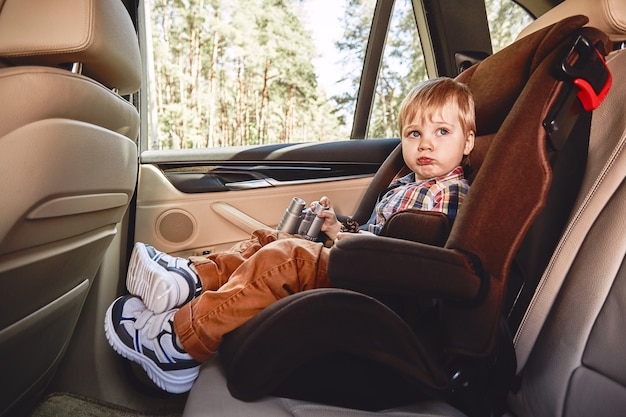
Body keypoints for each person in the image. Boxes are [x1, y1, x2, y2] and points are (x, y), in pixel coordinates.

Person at [104, 76, 476, 394]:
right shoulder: (406, 183)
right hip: (364, 263)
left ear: (469, 142)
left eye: (442, 131)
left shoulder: (450, 192)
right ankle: (190, 278)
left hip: (384, 287)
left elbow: (417, 259)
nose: (426, 143)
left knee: (289, 258)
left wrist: (351, 246)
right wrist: (338, 228)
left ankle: (180, 344)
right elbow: (375, 232)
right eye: (414, 133)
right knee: (271, 238)